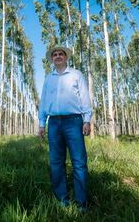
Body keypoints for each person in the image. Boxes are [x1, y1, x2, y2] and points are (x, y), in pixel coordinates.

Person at [38, 45, 92, 210]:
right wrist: (42, 123)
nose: (58, 56)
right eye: (55, 54)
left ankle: (81, 203)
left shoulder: (76, 75)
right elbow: (44, 102)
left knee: (79, 162)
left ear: (66, 57)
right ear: (52, 59)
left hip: (74, 122)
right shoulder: (48, 78)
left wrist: (87, 120)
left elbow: (84, 97)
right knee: (56, 162)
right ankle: (62, 200)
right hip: (53, 123)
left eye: (61, 54)